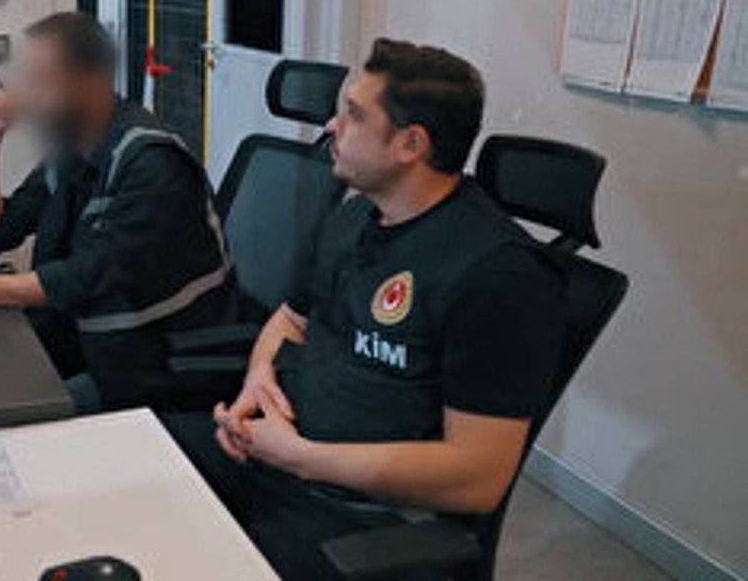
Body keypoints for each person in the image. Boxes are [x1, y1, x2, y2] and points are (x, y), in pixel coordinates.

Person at [164, 39, 567, 580]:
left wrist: (300, 456)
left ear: (409, 144)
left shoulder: (500, 274)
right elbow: (289, 320)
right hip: (277, 464)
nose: (332, 126)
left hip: (356, 515)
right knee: (132, 466)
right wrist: (258, 384)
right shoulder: (356, 216)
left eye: (354, 115)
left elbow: (479, 474)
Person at [0, 12, 236, 412]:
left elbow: (81, 278)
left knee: (3, 413)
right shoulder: (72, 147)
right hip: (88, 341)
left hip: (158, 364)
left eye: (39, 80)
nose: (23, 95)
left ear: (91, 83)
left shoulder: (153, 163)